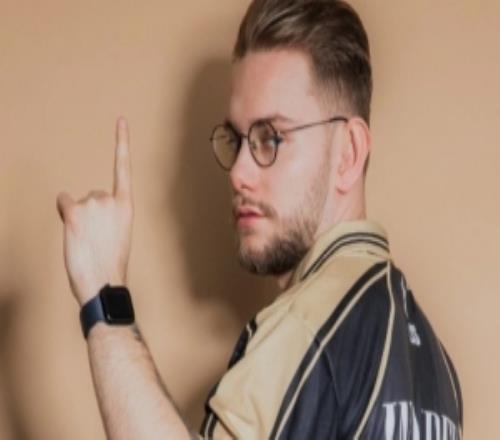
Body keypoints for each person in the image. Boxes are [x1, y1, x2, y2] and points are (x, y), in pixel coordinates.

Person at [56, 0, 463, 438]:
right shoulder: (436, 368)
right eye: (237, 139)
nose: (238, 172)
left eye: (271, 138)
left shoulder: (306, 326)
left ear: (348, 153)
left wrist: (104, 294)